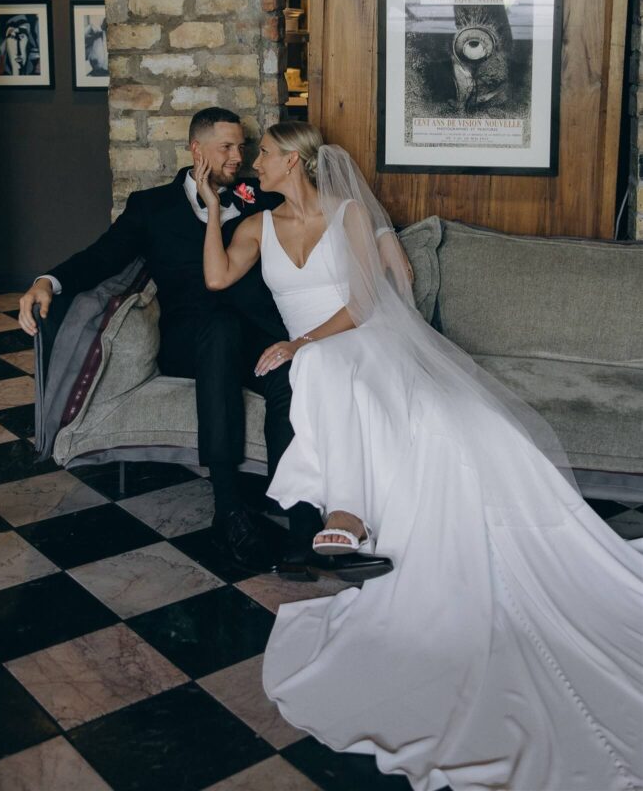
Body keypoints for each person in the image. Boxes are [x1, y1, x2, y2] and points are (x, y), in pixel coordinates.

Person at [196, 120, 643, 791]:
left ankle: (346, 510)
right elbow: (216, 278)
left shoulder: (347, 214)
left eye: (262, 153)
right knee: (323, 373)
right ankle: (346, 510)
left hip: (362, 339)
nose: (253, 163)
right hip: (326, 357)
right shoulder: (255, 226)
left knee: (357, 382)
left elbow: (366, 301)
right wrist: (211, 214)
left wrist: (300, 343)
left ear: (291, 160)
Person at [18, 108, 307, 574]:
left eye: (243, 147)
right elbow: (101, 258)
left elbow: (312, 225)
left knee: (287, 375)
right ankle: (228, 510)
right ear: (197, 150)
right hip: (191, 340)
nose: (240, 157)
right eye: (227, 147)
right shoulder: (151, 207)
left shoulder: (258, 201)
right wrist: (46, 283)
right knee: (219, 330)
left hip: (253, 335)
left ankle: (299, 521)